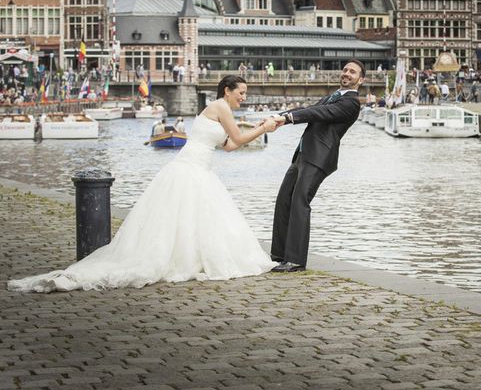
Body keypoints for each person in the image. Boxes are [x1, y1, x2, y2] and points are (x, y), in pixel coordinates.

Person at [8, 76, 279, 293]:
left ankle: (191, 257)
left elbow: (229, 146)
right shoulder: (220, 106)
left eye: (244, 93)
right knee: (191, 215)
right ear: (227, 91)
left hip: (199, 167)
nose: (243, 97)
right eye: (240, 92)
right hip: (191, 168)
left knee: (192, 217)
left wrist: (258, 126)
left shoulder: (220, 110)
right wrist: (264, 128)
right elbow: (239, 139)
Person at [270, 60, 365, 273]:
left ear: (361, 79)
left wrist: (288, 119)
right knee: (284, 199)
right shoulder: (334, 95)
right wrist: (280, 116)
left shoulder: (351, 103)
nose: (347, 73)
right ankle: (280, 255)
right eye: (345, 70)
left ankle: (295, 261)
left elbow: (318, 114)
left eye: (352, 72)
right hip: (303, 154)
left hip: (319, 157)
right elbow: (310, 109)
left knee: (299, 201)